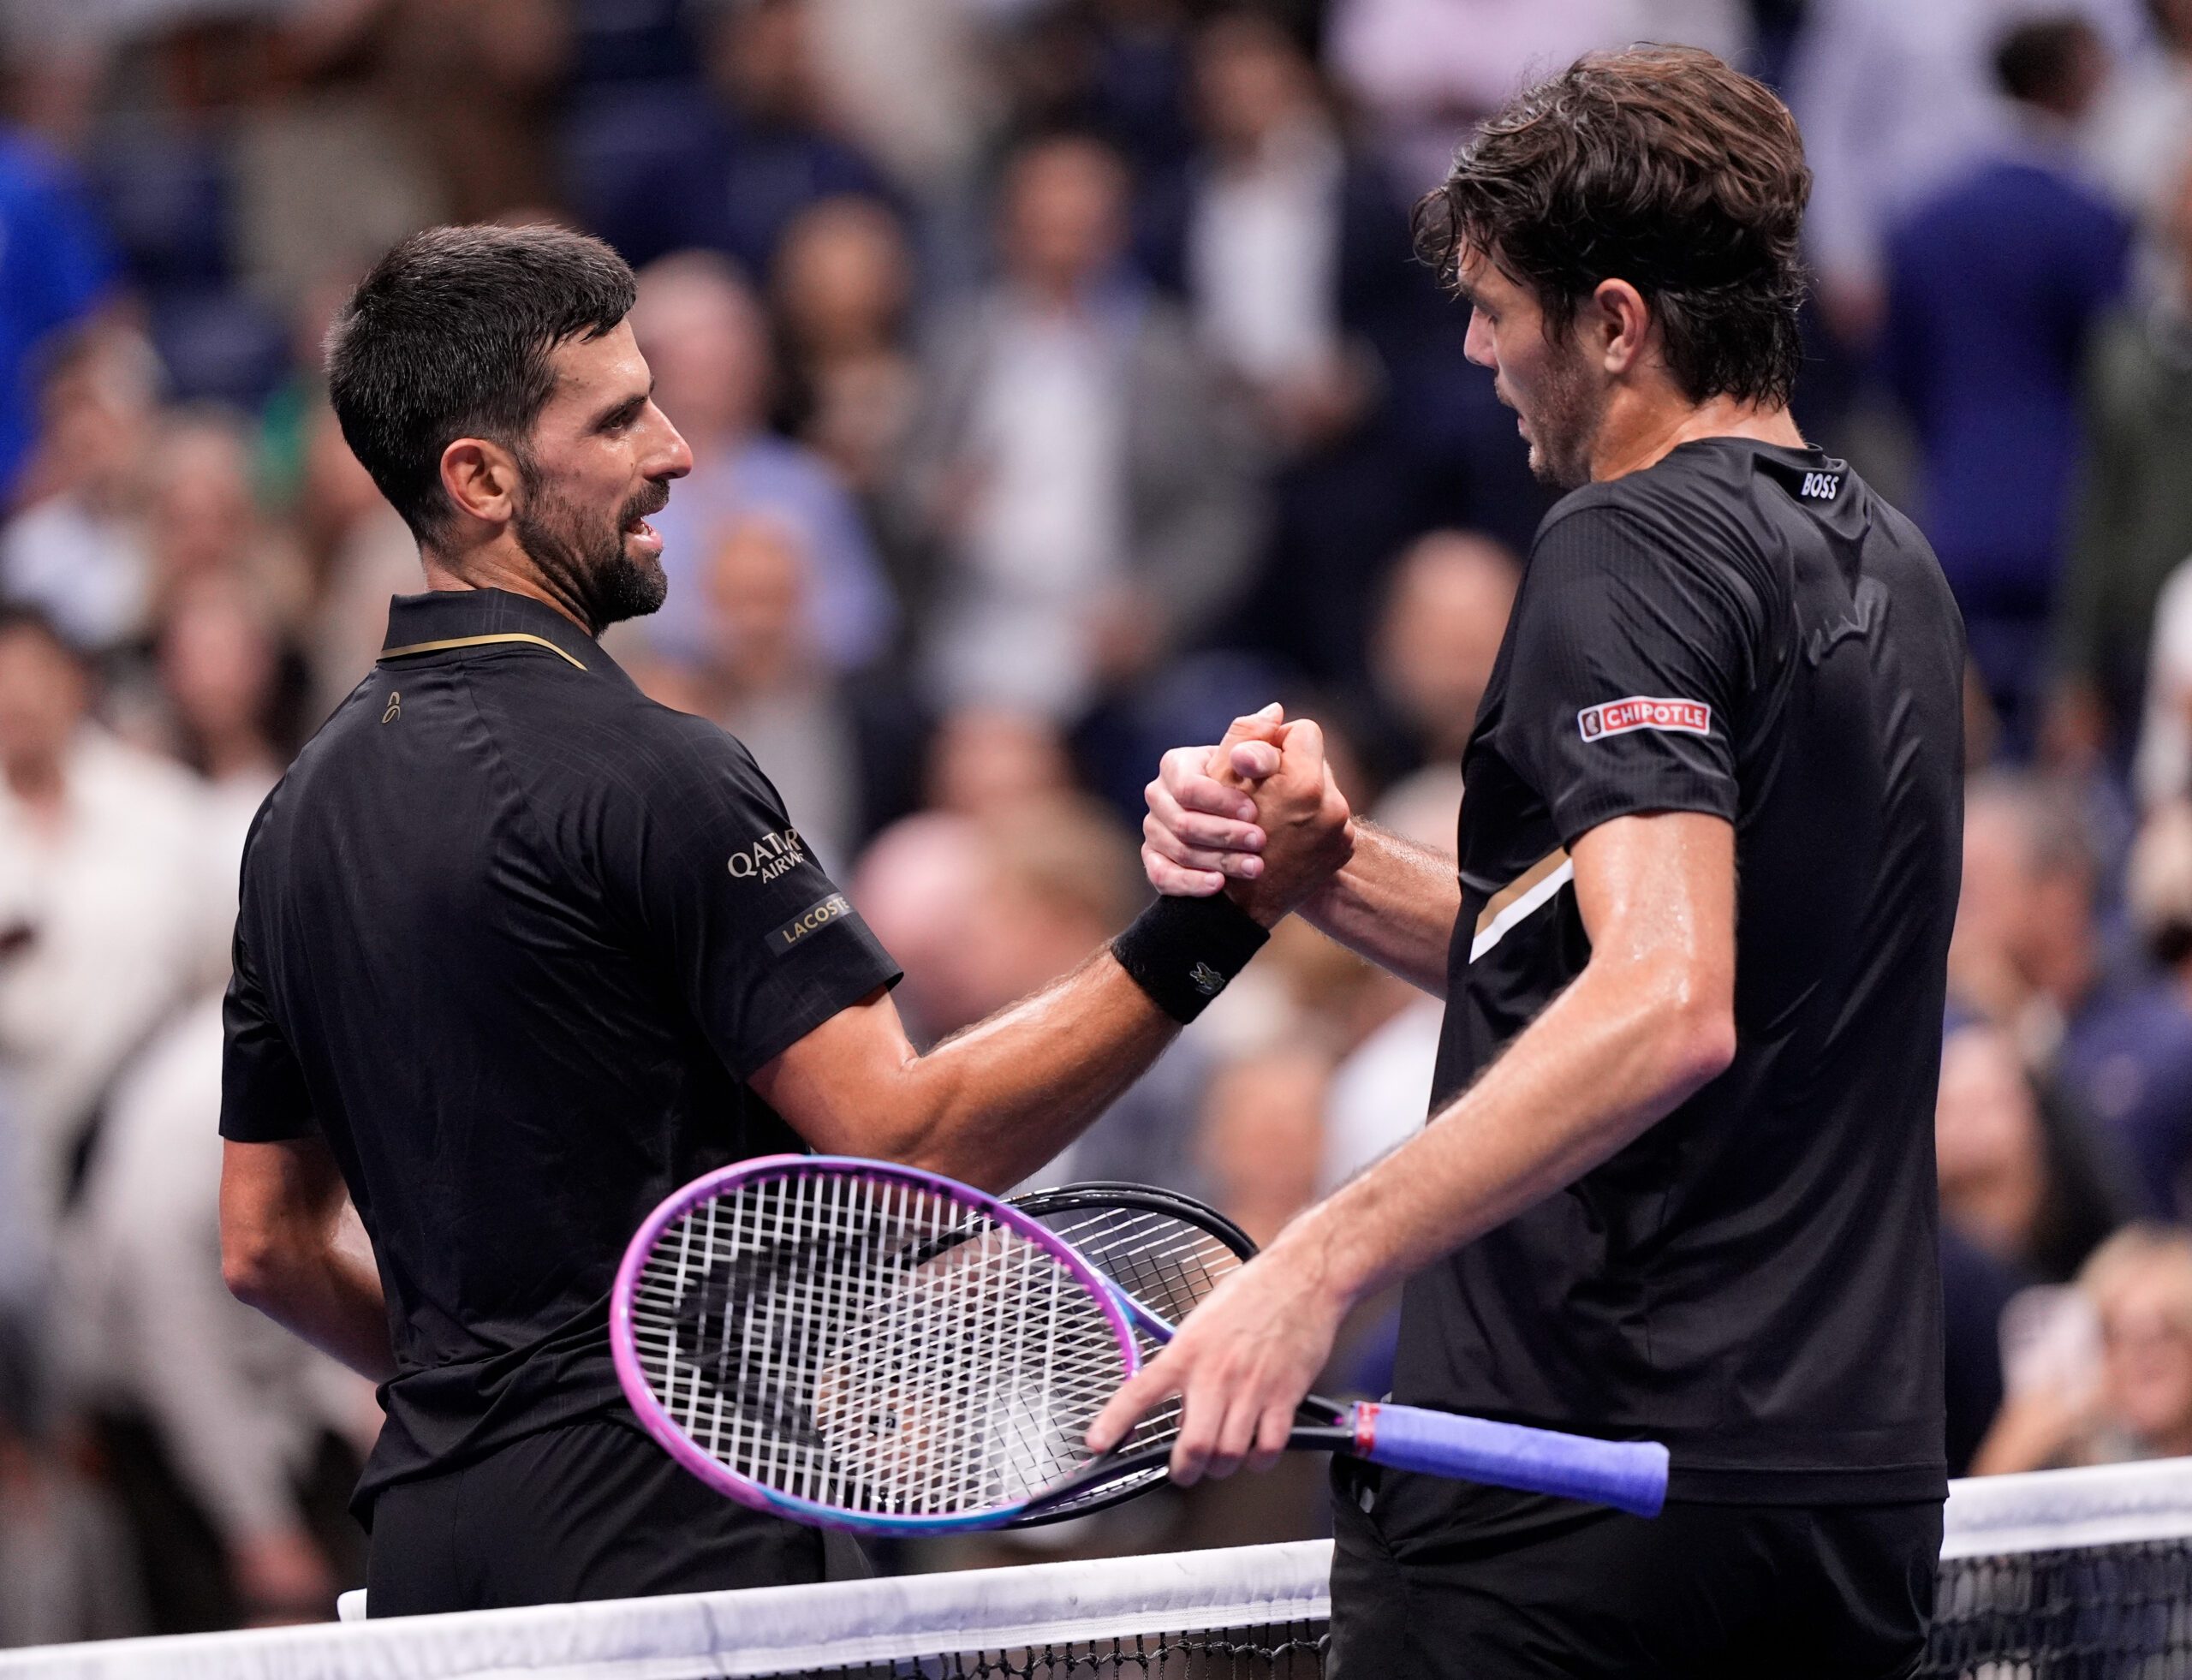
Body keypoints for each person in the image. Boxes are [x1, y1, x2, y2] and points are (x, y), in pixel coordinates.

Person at [215, 223, 1349, 1618]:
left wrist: (501, 1407)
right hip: (676, 1552)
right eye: (618, 418)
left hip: (433, 1560)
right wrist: (1218, 918)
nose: (677, 451)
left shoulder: (292, 819)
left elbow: (265, 1245)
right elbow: (904, 1143)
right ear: (482, 478)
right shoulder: (660, 771)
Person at [1115, 46, 1966, 1676]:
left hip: (1576, 1491)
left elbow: (1668, 1005)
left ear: (1617, 323)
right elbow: (1637, 968)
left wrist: (1314, 1262)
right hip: (1841, 1499)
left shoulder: (1623, 541)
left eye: (1500, 309)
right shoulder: (1889, 558)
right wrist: (1327, 869)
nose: (1477, 348)